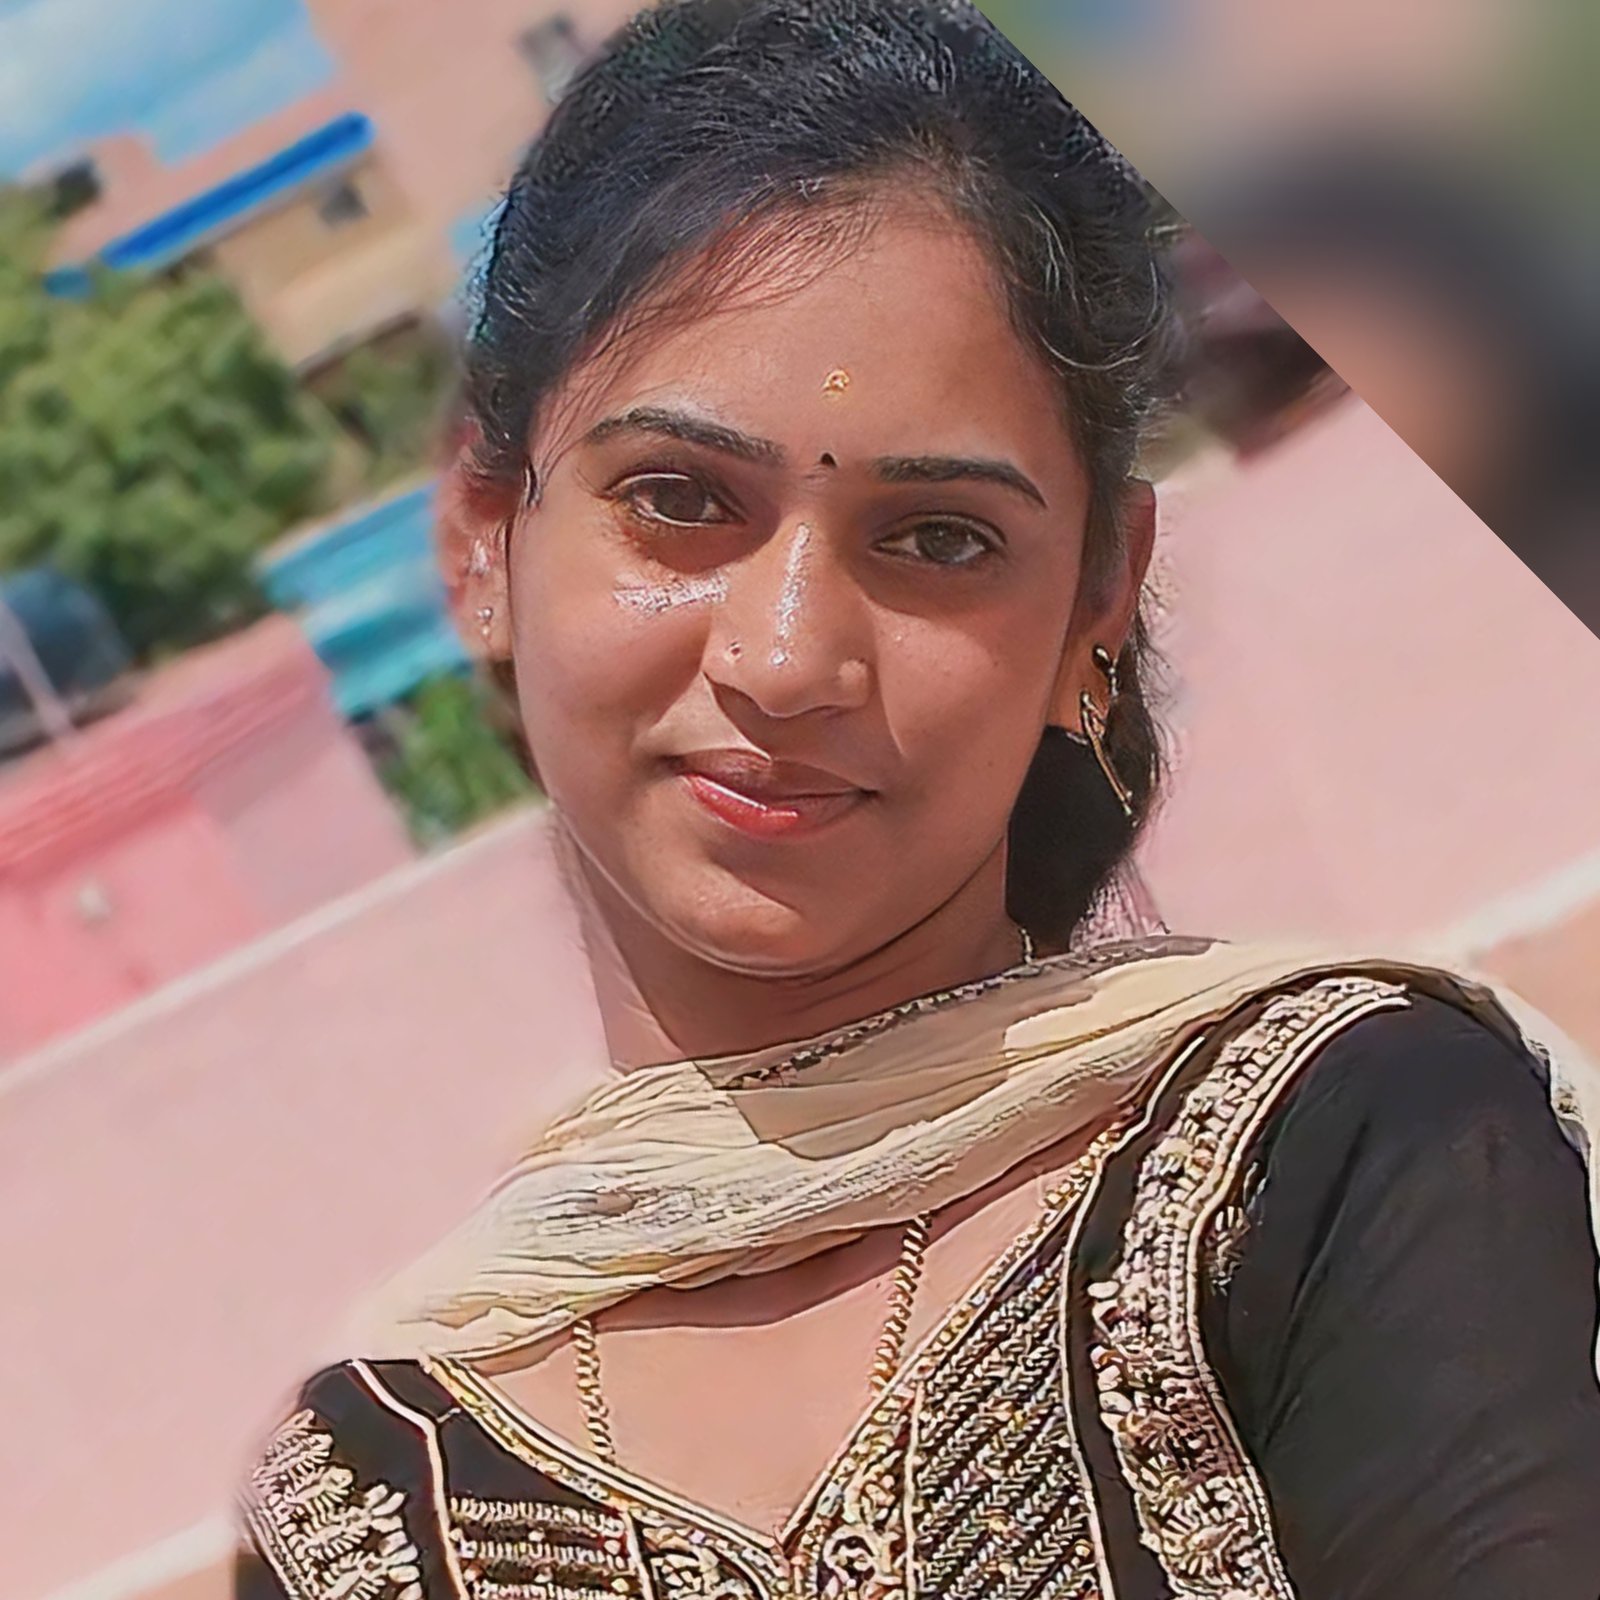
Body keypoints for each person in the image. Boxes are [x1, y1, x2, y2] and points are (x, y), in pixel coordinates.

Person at [233, 2, 1600, 1596]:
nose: (787, 658)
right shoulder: (360, 1502)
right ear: (484, 540)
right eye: (678, 499)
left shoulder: (1337, 1143)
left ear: (1096, 597)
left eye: (938, 537)